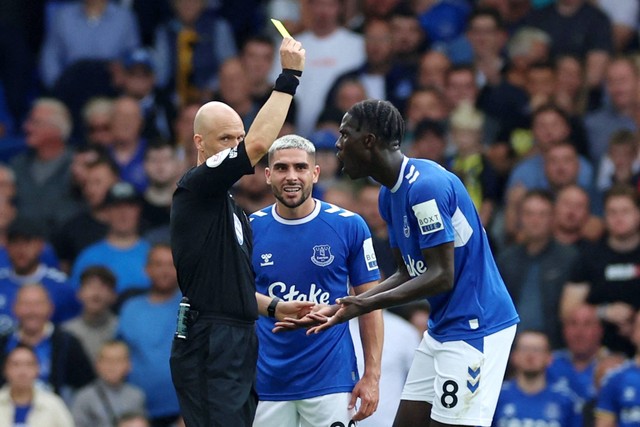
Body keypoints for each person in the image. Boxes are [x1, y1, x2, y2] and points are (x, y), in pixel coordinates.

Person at [292, 99, 520, 427]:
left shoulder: (425, 187)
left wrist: (365, 305)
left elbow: (442, 276)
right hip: (443, 327)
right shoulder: (388, 194)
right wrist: (352, 305)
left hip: (477, 327)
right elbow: (407, 271)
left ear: (368, 141)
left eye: (345, 135)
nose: (339, 145)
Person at [169, 37, 307, 427]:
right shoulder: (195, 187)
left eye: (237, 138)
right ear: (200, 143)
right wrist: (290, 76)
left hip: (238, 336)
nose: (236, 146)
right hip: (211, 338)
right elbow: (262, 143)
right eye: (225, 139)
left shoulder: (230, 208)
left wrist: (275, 308)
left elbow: (232, 285)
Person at [250, 135, 384, 426]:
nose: (292, 176)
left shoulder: (350, 226)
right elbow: (234, 295)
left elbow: (371, 303)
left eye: (300, 167)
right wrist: (274, 307)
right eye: (282, 168)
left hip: (331, 380)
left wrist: (372, 375)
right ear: (268, 174)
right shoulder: (249, 229)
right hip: (267, 382)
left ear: (315, 172)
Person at [491, 330, 582, 427]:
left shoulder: (566, 400)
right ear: (514, 356)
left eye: (537, 350)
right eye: (524, 349)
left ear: (549, 358)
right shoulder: (496, 397)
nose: (530, 355)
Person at [71, 340, 146, 427]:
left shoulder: (137, 396)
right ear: (97, 364)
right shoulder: (84, 397)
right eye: (107, 360)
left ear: (128, 365)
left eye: (118, 361)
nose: (112, 366)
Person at [0, 344, 75, 426]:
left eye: (29, 364)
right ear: (5, 369)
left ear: (37, 369)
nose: (22, 371)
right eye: (16, 364)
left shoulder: (53, 405)